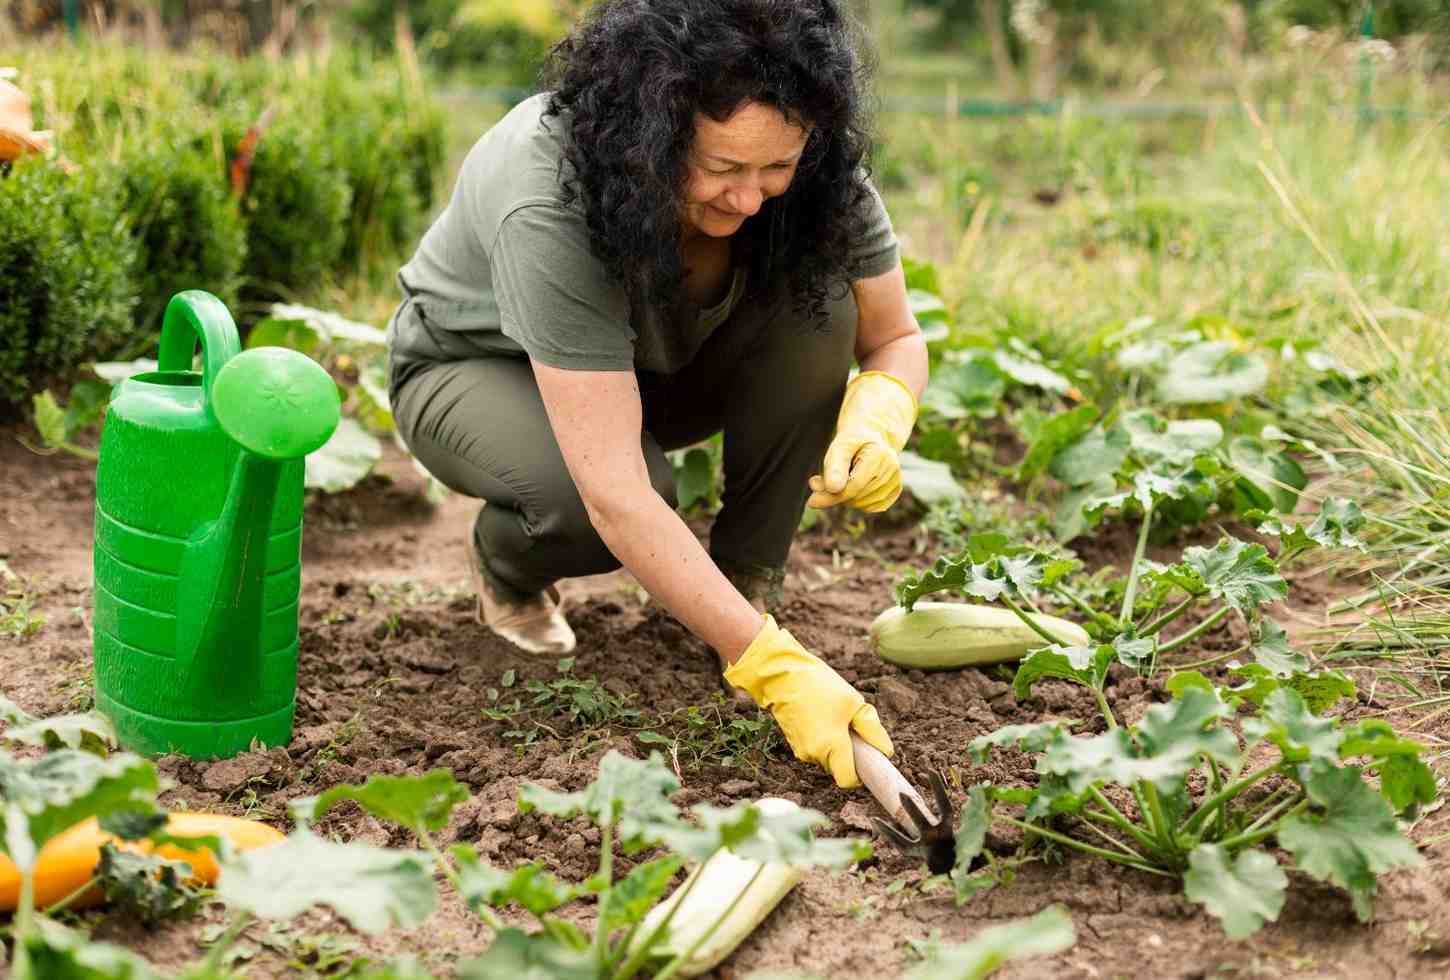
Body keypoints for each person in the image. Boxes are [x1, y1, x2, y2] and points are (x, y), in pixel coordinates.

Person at [386, 0, 928, 790]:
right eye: (721, 170)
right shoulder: (552, 191)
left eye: (775, 168)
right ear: (652, 133)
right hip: (474, 370)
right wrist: (776, 672)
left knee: (823, 301)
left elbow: (893, 337)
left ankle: (744, 591)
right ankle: (505, 567)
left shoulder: (811, 173)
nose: (750, 199)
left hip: (650, 370)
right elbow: (617, 495)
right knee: (595, 510)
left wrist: (881, 414)